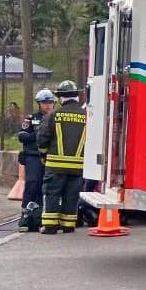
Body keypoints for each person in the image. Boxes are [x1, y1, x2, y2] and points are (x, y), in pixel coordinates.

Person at [37, 80, 87, 234]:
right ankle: (68, 225)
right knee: (71, 195)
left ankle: (50, 226)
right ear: (76, 96)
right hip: (78, 166)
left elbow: (43, 138)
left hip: (55, 165)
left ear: (60, 98)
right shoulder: (87, 116)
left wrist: (43, 155)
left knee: (52, 193)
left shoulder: (53, 115)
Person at [16, 90, 56, 232]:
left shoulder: (57, 117)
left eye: (50, 102)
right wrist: (39, 134)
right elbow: (22, 136)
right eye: (45, 103)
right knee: (33, 184)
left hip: (51, 156)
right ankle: (26, 214)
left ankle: (42, 215)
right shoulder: (32, 118)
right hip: (34, 156)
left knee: (49, 187)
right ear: (39, 104)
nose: (48, 105)